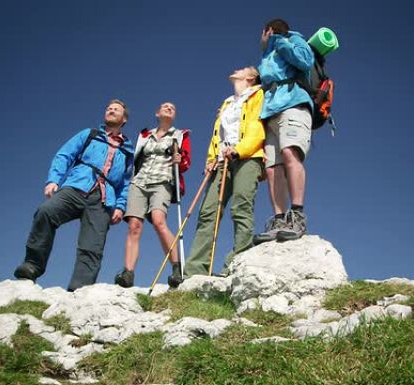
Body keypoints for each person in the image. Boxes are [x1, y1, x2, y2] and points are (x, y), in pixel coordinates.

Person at [14, 99, 134, 291]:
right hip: (76, 186)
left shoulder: (127, 151)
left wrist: (120, 206)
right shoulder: (90, 135)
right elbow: (65, 155)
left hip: (103, 199)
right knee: (46, 212)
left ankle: (79, 289)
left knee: (92, 246)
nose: (111, 110)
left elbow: (126, 183)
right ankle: (32, 265)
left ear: (124, 118)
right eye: (109, 108)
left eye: (116, 109)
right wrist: (54, 179)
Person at [184, 67, 265, 277]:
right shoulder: (228, 102)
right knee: (207, 212)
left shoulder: (258, 94)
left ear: (251, 77)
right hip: (222, 159)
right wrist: (211, 158)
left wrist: (239, 150)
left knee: (241, 205)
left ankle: (236, 263)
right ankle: (195, 271)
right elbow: (217, 135)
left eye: (243, 69)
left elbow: (258, 128)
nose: (237, 70)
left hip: (247, 156)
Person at [115, 102, 191, 288]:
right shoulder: (144, 136)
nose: (169, 108)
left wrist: (180, 160)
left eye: (173, 107)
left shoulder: (180, 135)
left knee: (158, 221)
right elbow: (135, 158)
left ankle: (176, 267)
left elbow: (185, 162)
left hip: (163, 181)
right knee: (134, 225)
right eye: (165, 106)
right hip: (139, 182)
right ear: (157, 113)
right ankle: (128, 273)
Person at [253, 18, 315, 245]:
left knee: (290, 154)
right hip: (270, 113)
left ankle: (297, 215)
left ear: (267, 30)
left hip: (292, 103)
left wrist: (279, 39)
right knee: (272, 168)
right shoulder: (267, 56)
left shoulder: (292, 39)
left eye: (262, 34)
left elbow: (304, 61)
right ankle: (279, 219)